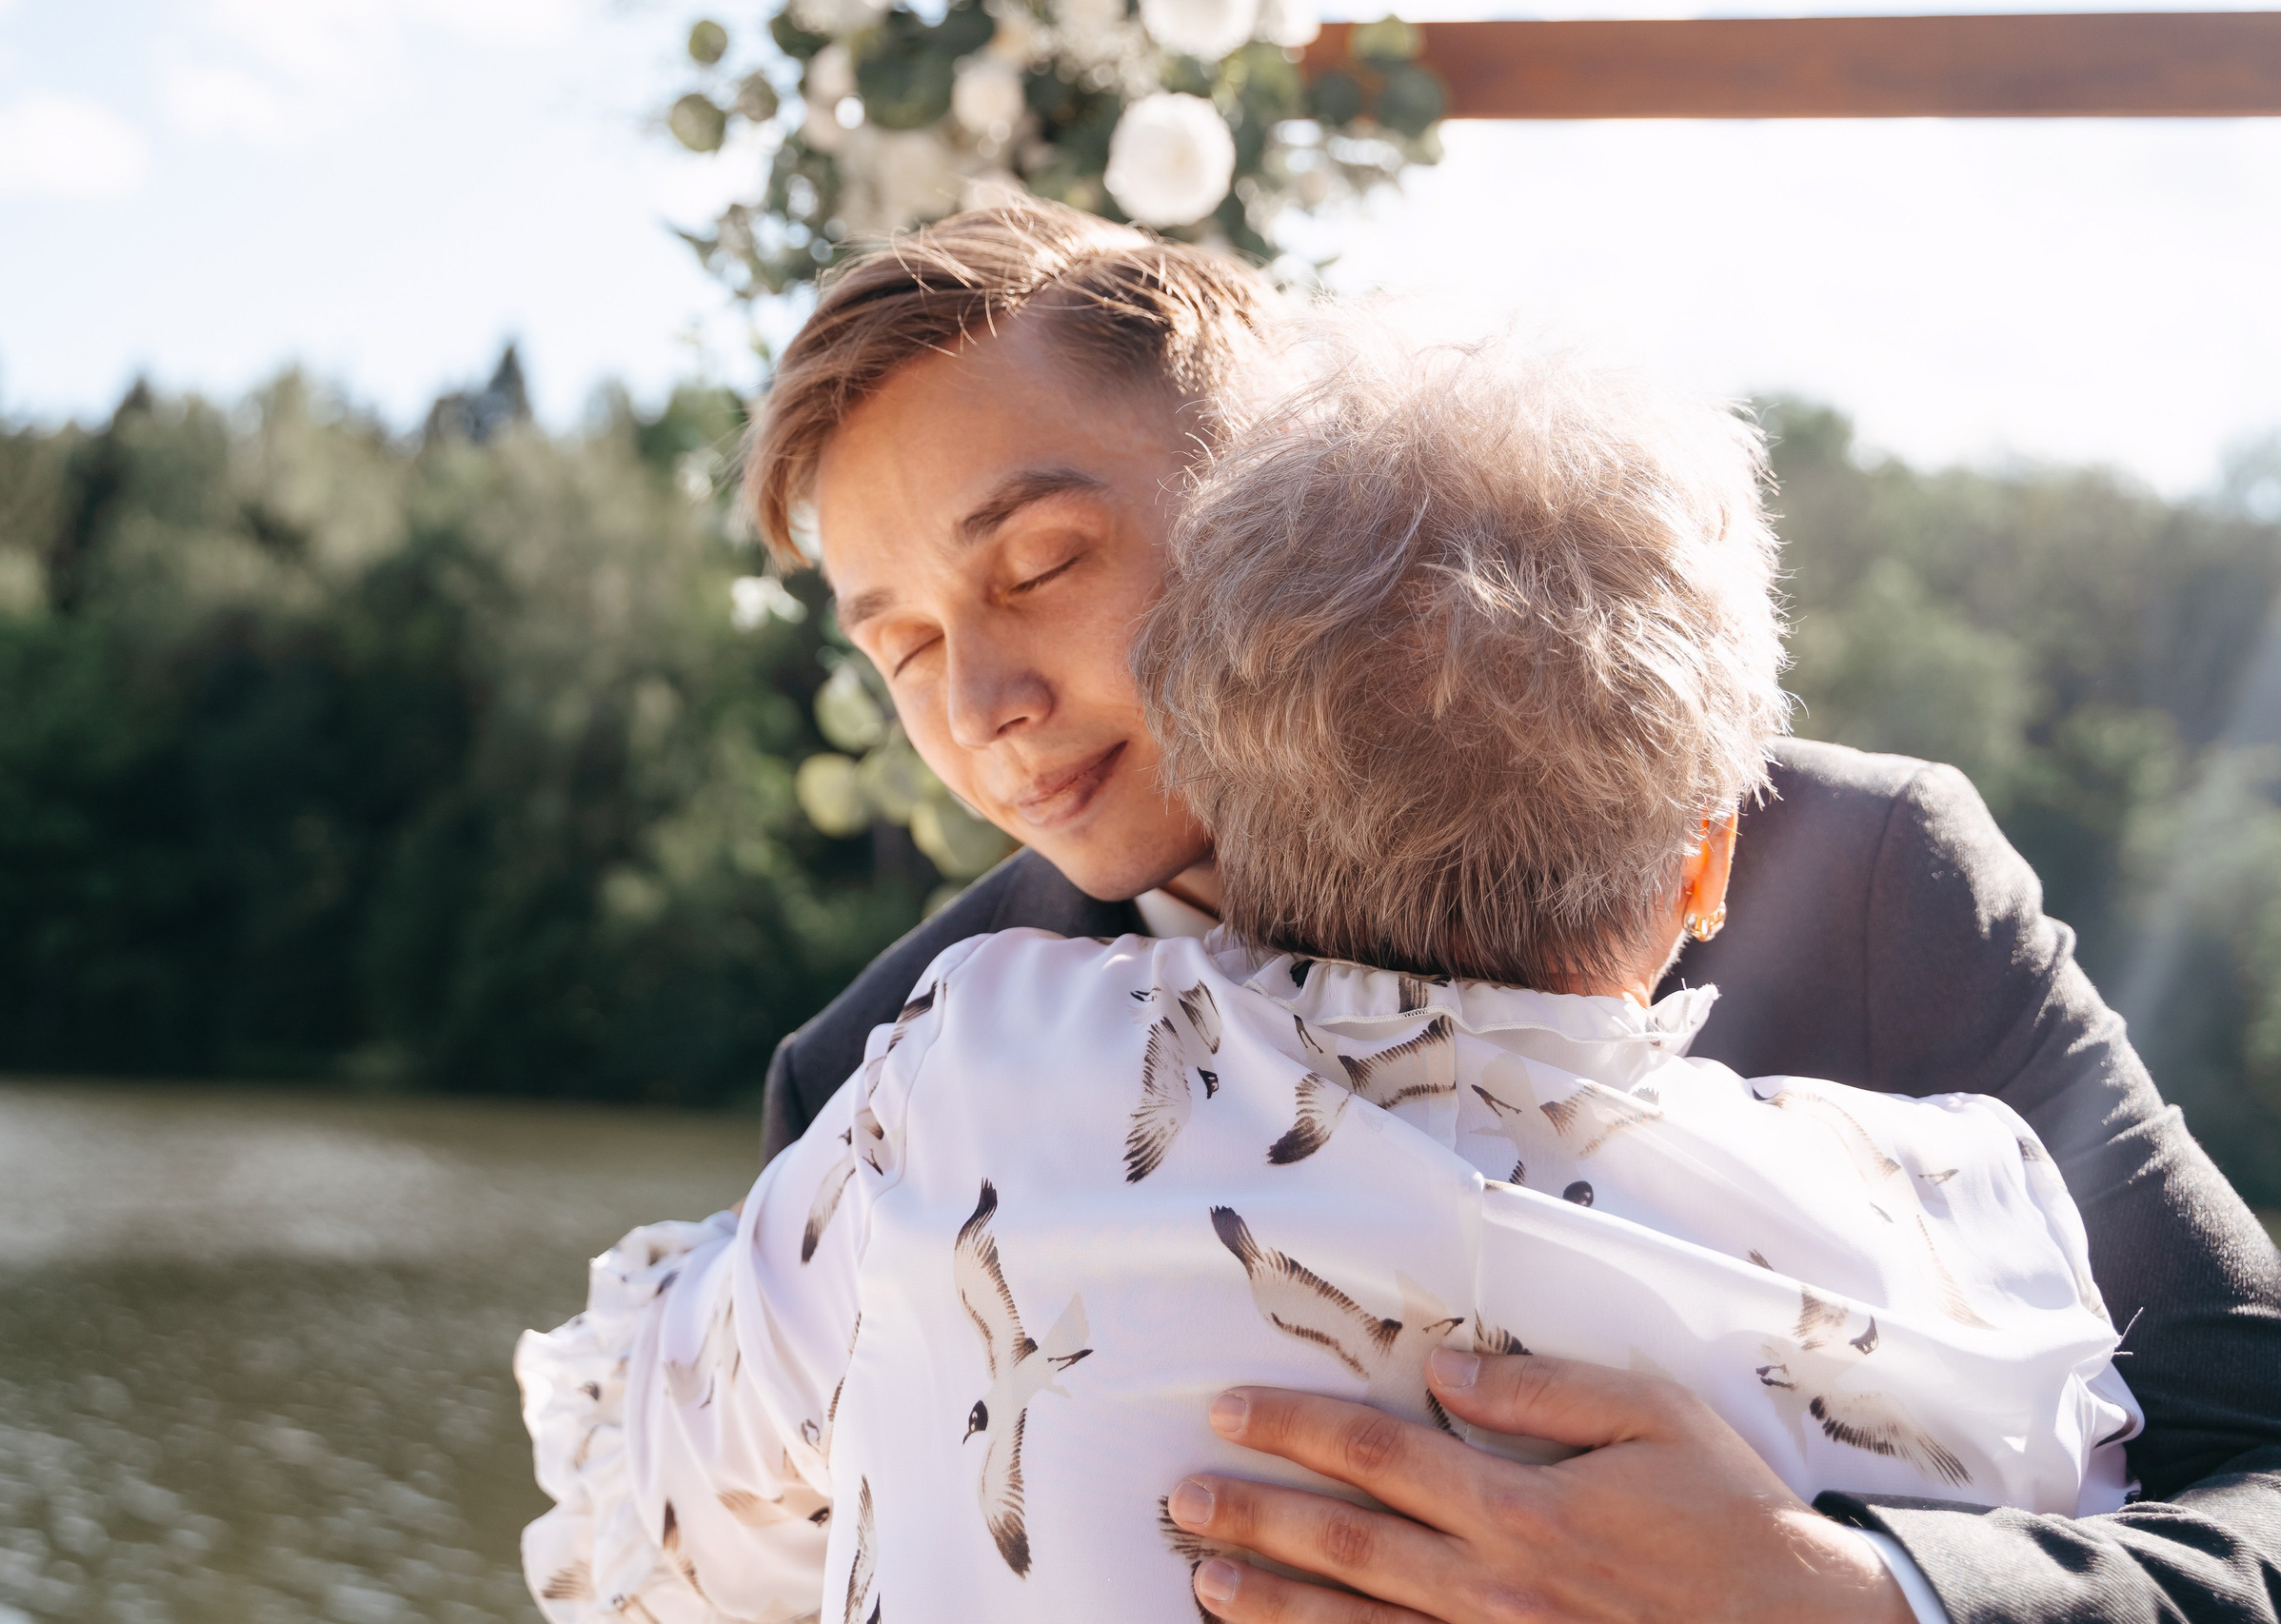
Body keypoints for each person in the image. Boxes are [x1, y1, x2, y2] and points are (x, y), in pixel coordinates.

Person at [741, 198, 2281, 1621]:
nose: (983, 705)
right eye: (902, 648)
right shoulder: (873, 1072)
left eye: (1039, 564)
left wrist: (1860, 1591)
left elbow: (2262, 1452)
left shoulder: (1867, 874)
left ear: (1260, 481)